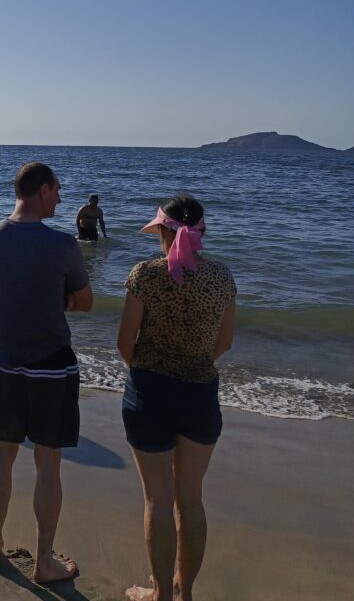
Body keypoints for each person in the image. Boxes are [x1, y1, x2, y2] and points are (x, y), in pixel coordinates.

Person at [0, 162, 93, 584]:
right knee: (48, 461)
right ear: (42, 190)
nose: (61, 198)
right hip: (51, 365)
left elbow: (12, 292)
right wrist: (57, 299)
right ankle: (44, 560)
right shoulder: (63, 245)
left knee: (3, 452)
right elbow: (85, 301)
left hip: (4, 361)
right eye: (58, 190)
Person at [116, 195, 236, 601]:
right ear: (201, 232)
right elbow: (224, 342)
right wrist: (192, 366)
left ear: (163, 231)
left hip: (150, 393)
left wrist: (151, 371)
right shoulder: (222, 277)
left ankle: (161, 595)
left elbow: (124, 343)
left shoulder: (145, 275)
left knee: (158, 500)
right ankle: (185, 596)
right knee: (192, 501)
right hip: (201, 394)